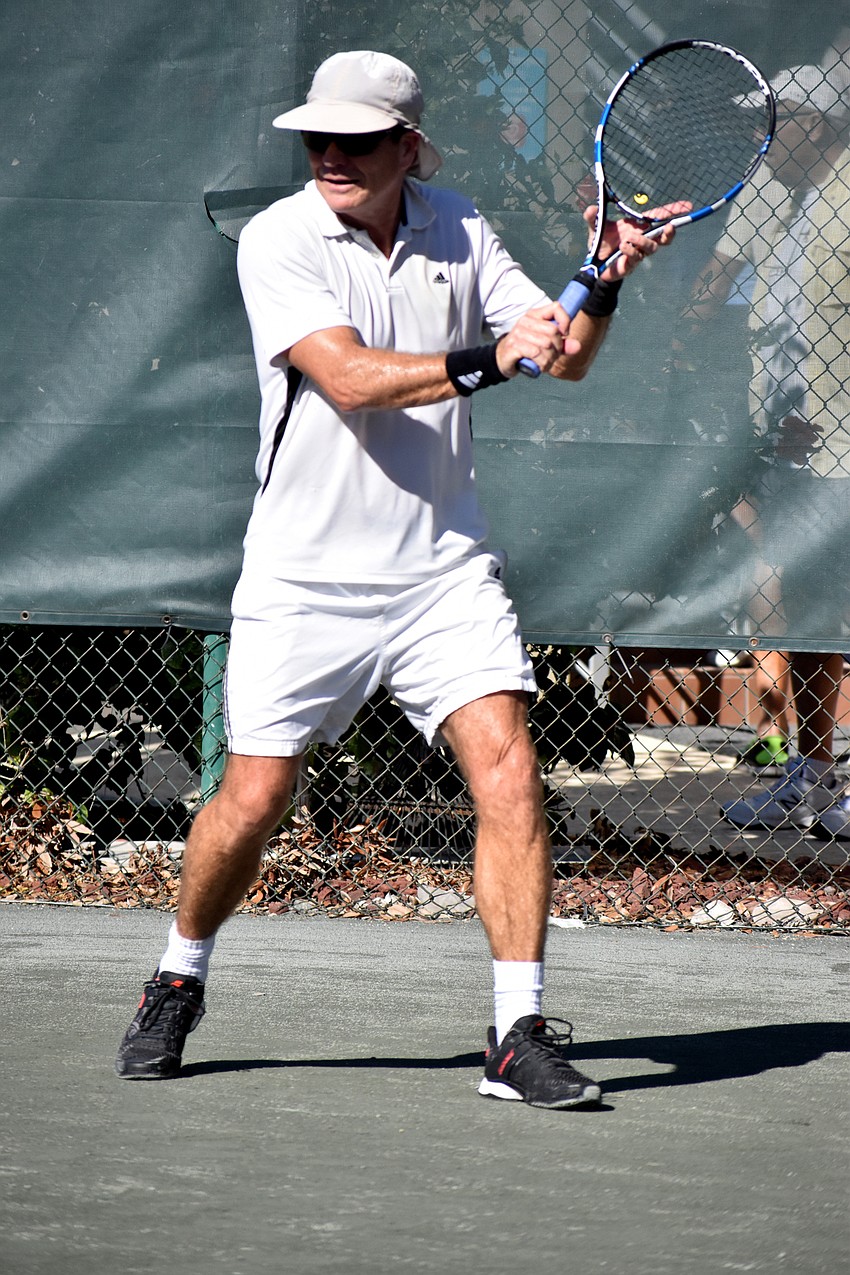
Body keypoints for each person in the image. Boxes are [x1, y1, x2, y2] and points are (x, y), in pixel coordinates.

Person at [115, 50, 677, 1107]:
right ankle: (177, 977)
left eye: (357, 141)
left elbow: (561, 356)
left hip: (441, 573)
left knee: (508, 770)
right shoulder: (282, 239)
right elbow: (347, 377)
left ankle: (515, 1034)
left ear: (407, 146)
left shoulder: (457, 224)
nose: (330, 155)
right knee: (253, 798)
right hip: (303, 578)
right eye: (315, 139)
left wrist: (602, 274)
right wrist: (481, 359)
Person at [684, 63, 850, 838]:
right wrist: (681, 336)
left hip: (842, 444)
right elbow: (716, 280)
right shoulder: (767, 190)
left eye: (774, 123)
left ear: (815, 127)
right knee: (807, 615)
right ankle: (811, 781)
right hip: (787, 446)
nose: (760, 137)